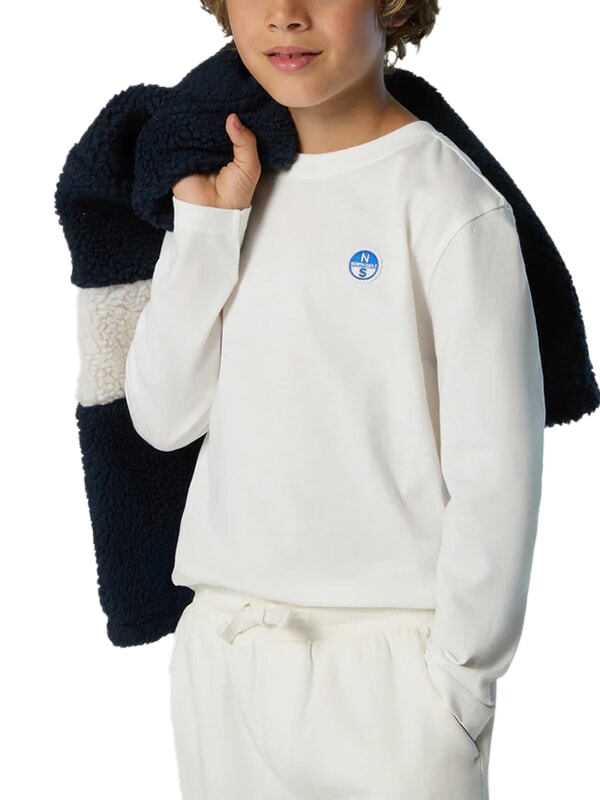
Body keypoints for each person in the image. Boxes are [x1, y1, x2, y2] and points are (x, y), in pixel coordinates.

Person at [123, 0, 545, 797]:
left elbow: (497, 470)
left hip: (388, 676)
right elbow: (164, 416)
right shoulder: (224, 182)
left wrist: (458, 685)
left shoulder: (446, 200)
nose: (285, 15)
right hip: (225, 650)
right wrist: (205, 228)